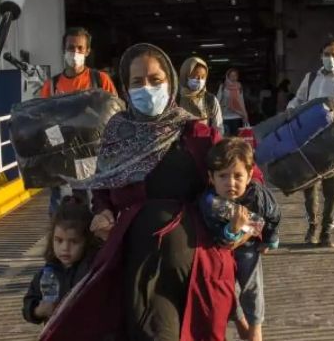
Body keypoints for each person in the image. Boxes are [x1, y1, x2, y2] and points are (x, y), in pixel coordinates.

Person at [40, 43, 248, 341]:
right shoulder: (115, 134)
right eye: (137, 82)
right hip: (137, 261)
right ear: (125, 88)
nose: (146, 88)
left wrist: (244, 220)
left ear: (171, 82)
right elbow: (103, 188)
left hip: (197, 265)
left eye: (155, 79)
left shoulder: (198, 134)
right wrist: (102, 211)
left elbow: (243, 176)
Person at [199, 138, 280, 341]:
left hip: (249, 249)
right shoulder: (211, 204)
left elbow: (273, 214)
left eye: (238, 176)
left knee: (252, 287)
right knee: (228, 290)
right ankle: (241, 322)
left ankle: (255, 328)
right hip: (220, 251)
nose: (231, 183)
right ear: (211, 177)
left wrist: (270, 238)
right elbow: (219, 238)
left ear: (250, 175)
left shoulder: (258, 195)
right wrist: (233, 229)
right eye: (223, 176)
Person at [287, 37, 334, 248]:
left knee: (332, 189)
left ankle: (327, 230)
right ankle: (312, 226)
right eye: (327, 54)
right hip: (309, 139)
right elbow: (298, 100)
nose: (330, 58)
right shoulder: (310, 79)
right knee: (309, 187)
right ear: (321, 56)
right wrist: (291, 110)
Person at [39, 27, 118, 214]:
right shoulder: (52, 85)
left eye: (80, 48)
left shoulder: (100, 80)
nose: (75, 53)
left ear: (87, 51)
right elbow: (44, 120)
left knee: (95, 206)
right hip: (62, 157)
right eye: (71, 47)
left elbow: (115, 115)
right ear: (63, 49)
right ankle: (58, 240)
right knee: (61, 210)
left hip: (93, 157)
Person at [23, 196, 97, 324]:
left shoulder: (92, 269)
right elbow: (28, 304)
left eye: (74, 242)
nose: (65, 248)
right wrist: (39, 310)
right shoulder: (47, 272)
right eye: (59, 240)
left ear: (87, 242)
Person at [177, 56, 224, 133]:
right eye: (195, 76)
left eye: (203, 77)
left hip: (205, 143)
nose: (199, 80)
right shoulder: (175, 99)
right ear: (185, 75)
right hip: (181, 144)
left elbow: (218, 127)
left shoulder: (210, 99)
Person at [217, 68, 249, 135]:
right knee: (226, 137)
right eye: (231, 76)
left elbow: (241, 101)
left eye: (235, 75)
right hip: (225, 116)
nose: (233, 77)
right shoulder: (223, 87)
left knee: (235, 138)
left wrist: (245, 115)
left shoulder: (239, 87)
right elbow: (217, 100)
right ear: (227, 77)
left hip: (237, 115)